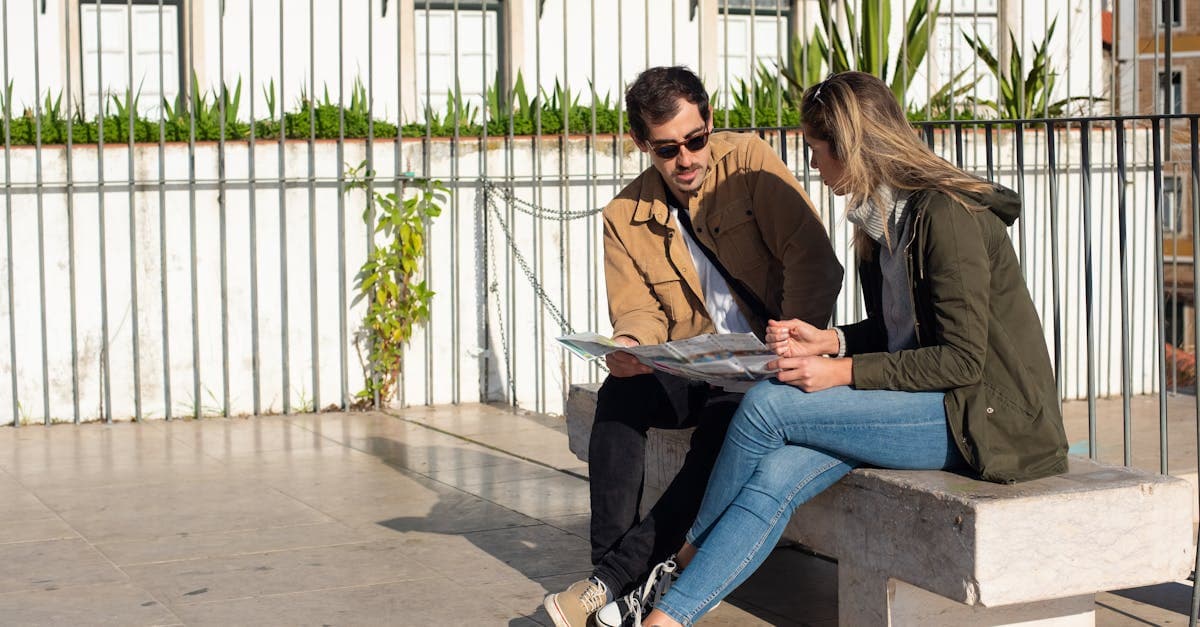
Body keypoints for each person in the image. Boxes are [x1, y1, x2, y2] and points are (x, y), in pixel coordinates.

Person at [638, 71, 1070, 627]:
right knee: (778, 473)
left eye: (817, 150)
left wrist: (840, 370)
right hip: (931, 405)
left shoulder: (944, 217)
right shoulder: (878, 221)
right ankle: (668, 617)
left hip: (986, 418)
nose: (813, 165)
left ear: (850, 147)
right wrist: (833, 339)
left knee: (771, 404)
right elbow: (902, 331)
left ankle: (680, 558)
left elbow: (962, 359)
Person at [542, 66, 844, 627]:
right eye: (667, 149)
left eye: (696, 140)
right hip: (696, 364)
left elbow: (813, 260)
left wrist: (795, 343)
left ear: (709, 121)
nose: (686, 160)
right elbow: (637, 310)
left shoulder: (751, 164)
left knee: (725, 432)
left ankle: (607, 585)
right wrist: (630, 345)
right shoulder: (623, 217)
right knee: (620, 396)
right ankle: (607, 572)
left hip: (770, 365)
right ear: (641, 145)